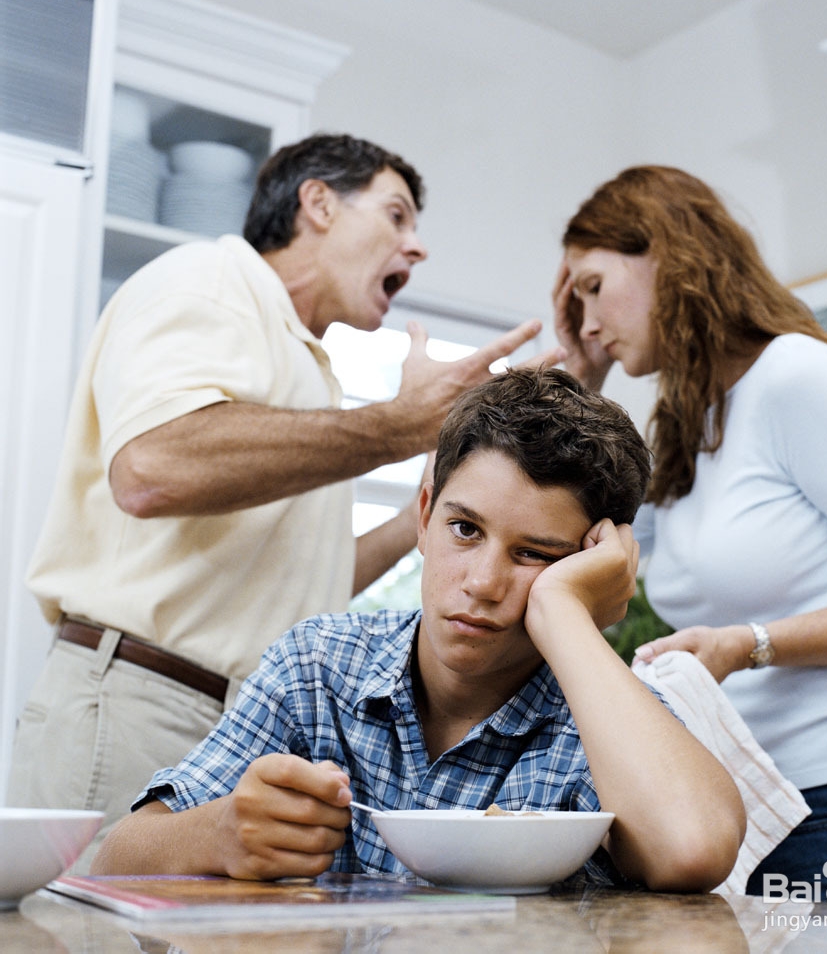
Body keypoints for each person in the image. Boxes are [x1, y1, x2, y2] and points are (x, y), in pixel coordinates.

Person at [8, 133, 556, 870]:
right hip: (141, 702)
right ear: (318, 203)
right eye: (396, 216)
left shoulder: (310, 370)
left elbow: (314, 581)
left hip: (231, 716)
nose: (416, 246)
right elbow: (150, 467)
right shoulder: (207, 282)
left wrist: (433, 517)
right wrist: (396, 427)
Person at [92, 367, 746, 893]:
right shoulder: (318, 664)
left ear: (586, 567)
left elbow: (692, 847)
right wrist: (220, 833)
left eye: (534, 554)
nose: (482, 582)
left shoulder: (603, 720)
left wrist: (564, 616)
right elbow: (116, 858)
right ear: (426, 514)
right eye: (465, 529)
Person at [551, 165, 827, 899]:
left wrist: (749, 643)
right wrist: (582, 382)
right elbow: (606, 560)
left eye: (593, 287)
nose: (587, 320)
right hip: (735, 812)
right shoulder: (690, 420)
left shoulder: (797, 380)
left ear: (664, 256)